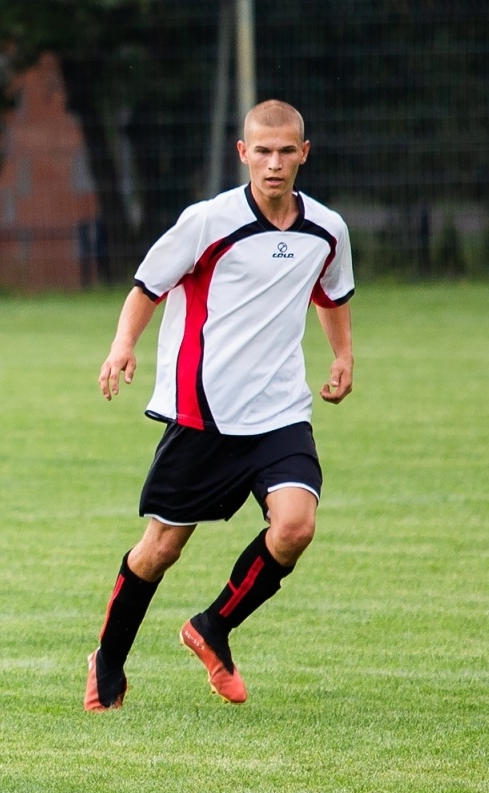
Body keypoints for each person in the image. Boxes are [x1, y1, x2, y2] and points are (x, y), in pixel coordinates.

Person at [86, 100, 355, 711]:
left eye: (287, 151)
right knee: (160, 549)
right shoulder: (209, 221)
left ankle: (213, 627)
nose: (275, 163)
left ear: (304, 154)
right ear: (243, 154)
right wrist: (122, 345)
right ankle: (108, 658)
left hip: (281, 411)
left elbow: (331, 293)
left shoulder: (326, 229)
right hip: (204, 413)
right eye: (263, 151)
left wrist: (343, 355)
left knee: (294, 527)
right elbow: (147, 286)